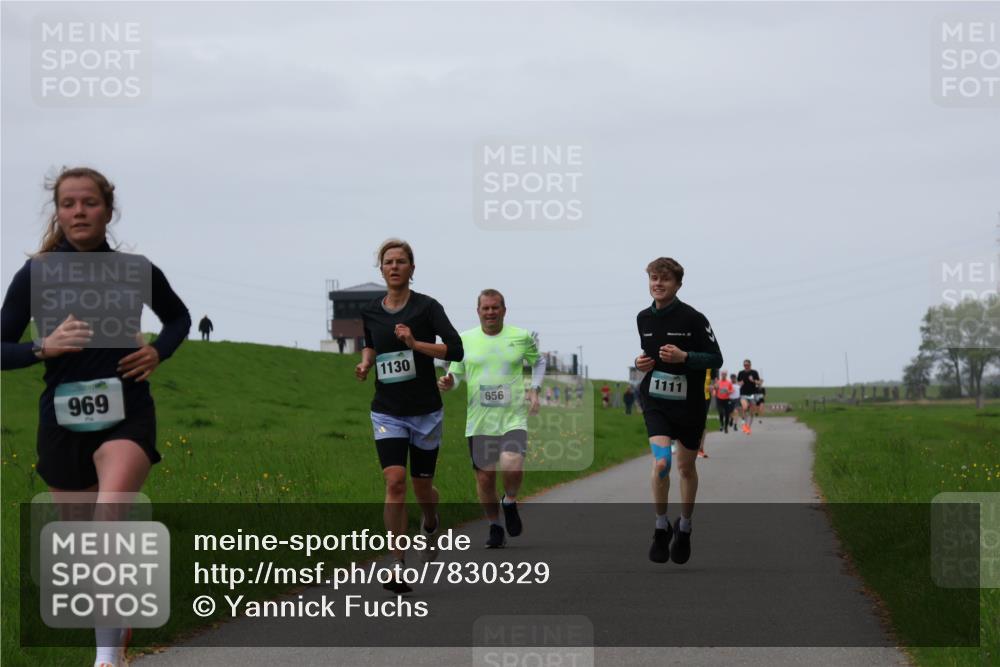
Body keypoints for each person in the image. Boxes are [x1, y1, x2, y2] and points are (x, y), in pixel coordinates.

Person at [1, 167, 191, 667]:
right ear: (58, 212)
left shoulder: (134, 268)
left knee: (110, 522)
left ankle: (105, 658)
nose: (79, 212)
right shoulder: (36, 273)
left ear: (108, 209)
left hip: (126, 411)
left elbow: (177, 317)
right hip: (62, 419)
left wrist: (158, 353)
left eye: (89, 203)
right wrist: (43, 347)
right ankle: (118, 624)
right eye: (68, 204)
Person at [355, 238, 463, 592]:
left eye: (402, 261)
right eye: (388, 261)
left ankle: (431, 523)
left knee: (422, 489)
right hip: (387, 411)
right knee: (395, 481)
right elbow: (370, 340)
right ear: (381, 268)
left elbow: (456, 350)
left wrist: (416, 345)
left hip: (425, 412)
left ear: (412, 269)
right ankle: (397, 565)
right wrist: (366, 361)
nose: (395, 266)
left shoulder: (427, 308)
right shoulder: (371, 310)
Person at [438, 289, 545, 547]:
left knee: (512, 465)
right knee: (485, 479)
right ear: (478, 312)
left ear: (504, 310)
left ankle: (509, 501)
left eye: (495, 307)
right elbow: (456, 376)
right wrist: (449, 382)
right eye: (485, 308)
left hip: (513, 418)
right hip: (480, 421)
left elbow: (538, 362)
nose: (490, 312)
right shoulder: (465, 340)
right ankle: (494, 526)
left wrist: (534, 389)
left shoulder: (521, 337)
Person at [634, 257, 722, 565]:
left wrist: (684, 356)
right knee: (661, 464)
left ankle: (683, 526)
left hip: (690, 405)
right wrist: (640, 363)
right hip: (656, 400)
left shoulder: (694, 319)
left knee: (685, 468)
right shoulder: (643, 318)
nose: (658, 284)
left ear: (678, 285)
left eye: (665, 280)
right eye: (653, 279)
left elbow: (716, 359)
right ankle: (661, 526)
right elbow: (647, 356)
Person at [737, 359, 761, 434]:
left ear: (750, 365)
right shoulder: (741, 373)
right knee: (744, 407)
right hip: (743, 393)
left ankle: (748, 427)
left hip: (752, 394)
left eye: (747, 365)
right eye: (745, 365)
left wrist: (753, 380)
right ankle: (743, 422)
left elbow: (759, 382)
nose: (746, 366)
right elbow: (738, 383)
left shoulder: (754, 372)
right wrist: (741, 383)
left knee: (751, 412)